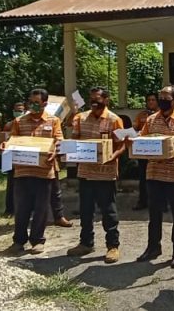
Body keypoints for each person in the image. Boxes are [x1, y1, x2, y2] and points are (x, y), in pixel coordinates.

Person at [137, 84, 174, 269]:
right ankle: (153, 247)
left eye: (166, 98)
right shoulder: (151, 120)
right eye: (160, 97)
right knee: (154, 214)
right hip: (153, 173)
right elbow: (143, 141)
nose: (162, 100)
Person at [66, 87, 125, 263]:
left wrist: (113, 156)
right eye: (91, 99)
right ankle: (86, 243)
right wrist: (70, 151)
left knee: (109, 211)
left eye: (98, 99)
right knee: (85, 209)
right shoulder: (80, 118)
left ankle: (113, 246)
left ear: (106, 100)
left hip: (106, 173)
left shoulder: (115, 120)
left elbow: (122, 145)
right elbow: (74, 140)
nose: (94, 102)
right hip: (85, 172)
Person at [5, 88, 64, 255]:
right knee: (21, 208)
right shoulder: (20, 121)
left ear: (45, 104)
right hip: (22, 171)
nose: (32, 106)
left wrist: (55, 150)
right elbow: (12, 140)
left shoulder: (53, 121)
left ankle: (37, 240)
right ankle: (18, 241)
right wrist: (7, 146)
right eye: (30, 102)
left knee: (41, 208)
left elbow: (59, 139)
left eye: (36, 103)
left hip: (44, 171)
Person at [132, 93, 158, 211]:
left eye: (153, 100)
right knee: (143, 178)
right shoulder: (141, 115)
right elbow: (134, 129)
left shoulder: (161, 115)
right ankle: (142, 201)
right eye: (149, 100)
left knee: (158, 178)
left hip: (158, 152)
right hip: (143, 151)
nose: (151, 102)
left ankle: (159, 202)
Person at [1, 102, 26, 216]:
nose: (18, 112)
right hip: (11, 157)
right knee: (11, 184)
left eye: (20, 110)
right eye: (16, 110)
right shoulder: (9, 125)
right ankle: (9, 209)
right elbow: (3, 140)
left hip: (25, 158)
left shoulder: (27, 124)